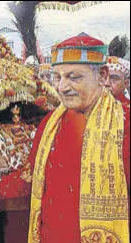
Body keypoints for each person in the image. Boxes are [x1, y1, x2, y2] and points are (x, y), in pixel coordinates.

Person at [28, 34, 130, 242]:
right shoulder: (50, 123)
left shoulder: (125, 123)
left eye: (74, 77)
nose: (62, 87)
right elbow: (28, 177)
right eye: (58, 77)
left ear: (102, 76)